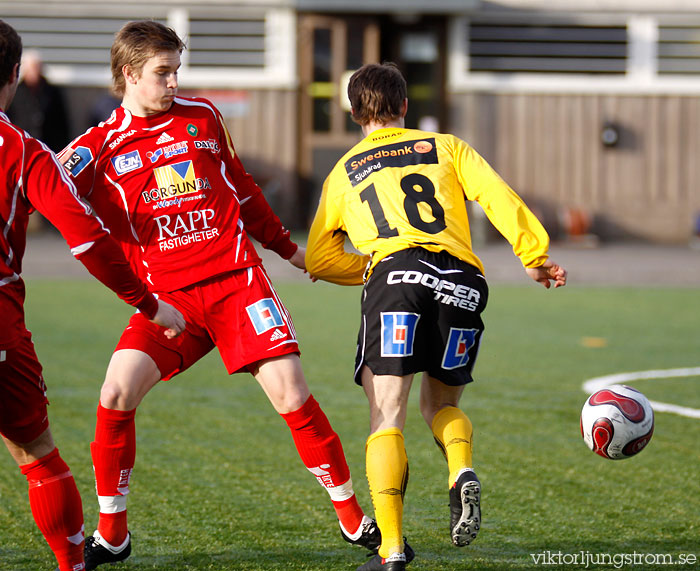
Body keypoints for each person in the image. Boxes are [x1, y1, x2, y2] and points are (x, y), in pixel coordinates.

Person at [58, 20, 385, 570]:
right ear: (128, 74)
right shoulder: (97, 149)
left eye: (176, 71)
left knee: (291, 394)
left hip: (237, 283)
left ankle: (355, 519)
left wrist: (288, 249)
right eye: (162, 73)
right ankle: (113, 534)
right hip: (168, 302)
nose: (172, 83)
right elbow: (46, 194)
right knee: (116, 392)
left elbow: (243, 186)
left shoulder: (203, 116)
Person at [305, 62, 568, 571]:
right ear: (405, 107)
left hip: (398, 277)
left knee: (387, 416)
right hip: (464, 283)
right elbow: (496, 195)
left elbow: (318, 257)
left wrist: (372, 265)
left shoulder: (343, 172)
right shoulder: (445, 146)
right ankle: (461, 468)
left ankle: (392, 550)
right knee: (439, 404)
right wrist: (534, 255)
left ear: (355, 113)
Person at [0, 20, 185, 571]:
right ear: (14, 75)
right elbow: (86, 241)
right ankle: (73, 564)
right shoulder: (23, 150)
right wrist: (149, 303)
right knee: (36, 456)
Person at [7, 49, 70, 153]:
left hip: (49, 146)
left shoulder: (52, 92)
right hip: (22, 147)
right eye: (31, 68)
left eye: (36, 68)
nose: (34, 72)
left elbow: (62, 123)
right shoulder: (16, 92)